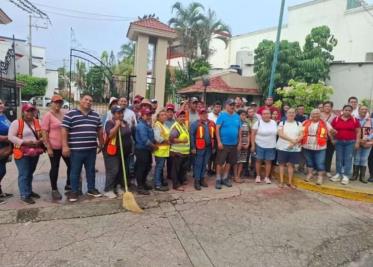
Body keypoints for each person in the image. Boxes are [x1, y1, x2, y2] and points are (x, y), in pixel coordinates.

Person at [62, 94, 104, 202]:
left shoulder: (95, 115)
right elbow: (64, 130)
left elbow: (99, 129)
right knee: (75, 171)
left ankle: (91, 189)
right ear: (80, 101)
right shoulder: (70, 114)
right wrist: (65, 146)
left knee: (90, 170)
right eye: (86, 99)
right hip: (76, 150)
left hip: (91, 149)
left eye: (90, 100)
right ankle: (74, 191)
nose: (88, 102)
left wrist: (101, 142)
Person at [8, 104, 44, 204]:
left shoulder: (38, 122)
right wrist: (24, 142)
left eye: (32, 111)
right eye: (27, 111)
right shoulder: (17, 123)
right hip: (21, 153)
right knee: (24, 174)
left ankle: (29, 191)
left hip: (35, 152)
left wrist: (40, 140)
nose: (30, 113)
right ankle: (24, 194)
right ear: (23, 112)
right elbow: (10, 137)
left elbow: (43, 134)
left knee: (30, 173)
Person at [41, 95, 71, 200]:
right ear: (51, 103)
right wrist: (48, 147)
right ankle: (54, 189)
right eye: (56, 102)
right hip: (54, 147)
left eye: (60, 102)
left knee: (71, 165)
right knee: (55, 167)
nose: (58, 104)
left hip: (65, 146)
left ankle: (69, 184)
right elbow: (44, 132)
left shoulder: (64, 113)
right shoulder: (48, 115)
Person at [103, 105, 133, 198]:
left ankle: (117, 187)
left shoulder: (125, 122)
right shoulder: (109, 123)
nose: (121, 115)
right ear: (113, 114)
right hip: (112, 151)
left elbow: (128, 135)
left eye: (122, 113)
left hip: (124, 151)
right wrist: (117, 125)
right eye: (118, 113)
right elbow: (111, 134)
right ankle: (108, 189)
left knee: (121, 170)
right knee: (113, 170)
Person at [330, 105, 361, 185]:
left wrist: (357, 142)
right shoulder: (336, 119)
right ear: (342, 110)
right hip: (339, 142)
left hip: (350, 142)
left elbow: (358, 132)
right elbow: (331, 130)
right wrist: (332, 139)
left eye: (349, 110)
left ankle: (346, 176)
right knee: (339, 158)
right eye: (346, 110)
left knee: (348, 159)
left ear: (351, 111)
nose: (347, 111)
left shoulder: (354, 120)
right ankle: (338, 174)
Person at [215, 99, 241, 189]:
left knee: (229, 162)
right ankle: (218, 179)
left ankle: (225, 178)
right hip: (223, 144)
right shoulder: (222, 116)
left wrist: (239, 142)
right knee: (220, 162)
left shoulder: (237, 116)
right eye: (230, 105)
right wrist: (219, 142)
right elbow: (217, 129)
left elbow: (239, 130)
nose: (232, 106)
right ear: (226, 106)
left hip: (234, 144)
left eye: (233, 105)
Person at [276, 108, 303, 188]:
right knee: (282, 165)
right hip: (282, 147)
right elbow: (280, 134)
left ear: (295, 114)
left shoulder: (299, 124)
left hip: (294, 148)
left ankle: (290, 182)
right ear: (286, 114)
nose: (291, 114)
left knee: (291, 165)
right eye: (289, 112)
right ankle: (281, 182)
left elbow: (302, 134)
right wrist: (292, 140)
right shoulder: (282, 123)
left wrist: (295, 142)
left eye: (293, 112)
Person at [301, 109, 329, 185]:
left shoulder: (325, 123)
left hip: (320, 146)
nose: (315, 115)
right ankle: (310, 174)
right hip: (306, 145)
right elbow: (299, 131)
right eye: (313, 114)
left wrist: (333, 133)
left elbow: (331, 131)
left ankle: (320, 177)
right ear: (311, 115)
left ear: (320, 115)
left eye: (317, 114)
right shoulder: (305, 122)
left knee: (320, 162)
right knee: (309, 161)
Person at [190, 108, 215, 190]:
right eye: (202, 113)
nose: (204, 115)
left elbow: (214, 136)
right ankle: (196, 181)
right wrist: (193, 147)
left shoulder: (212, 123)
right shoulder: (195, 124)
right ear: (199, 115)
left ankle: (202, 179)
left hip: (208, 147)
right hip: (199, 147)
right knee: (198, 164)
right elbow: (191, 136)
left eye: (205, 113)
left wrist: (214, 147)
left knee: (204, 164)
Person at [251, 109, 278, 184]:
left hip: (271, 146)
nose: (266, 115)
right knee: (258, 161)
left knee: (268, 162)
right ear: (262, 115)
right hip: (259, 145)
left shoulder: (274, 122)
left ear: (270, 115)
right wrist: (253, 145)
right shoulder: (258, 122)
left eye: (268, 113)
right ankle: (258, 176)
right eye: (264, 114)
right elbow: (253, 134)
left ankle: (267, 177)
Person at [135, 107, 157, 195]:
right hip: (141, 149)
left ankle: (143, 183)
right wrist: (154, 146)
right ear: (142, 115)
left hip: (147, 150)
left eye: (150, 115)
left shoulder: (147, 124)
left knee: (148, 166)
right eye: (147, 115)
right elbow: (145, 140)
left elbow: (151, 136)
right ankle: (140, 187)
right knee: (141, 168)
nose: (149, 116)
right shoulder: (141, 126)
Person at [169, 110, 190, 191]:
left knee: (182, 169)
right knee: (175, 170)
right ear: (177, 118)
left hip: (183, 153)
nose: (182, 118)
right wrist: (182, 141)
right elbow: (171, 139)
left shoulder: (183, 125)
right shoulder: (176, 127)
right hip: (177, 153)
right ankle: (176, 185)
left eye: (183, 116)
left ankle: (180, 181)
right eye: (180, 117)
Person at [352, 106, 373, 183]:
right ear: (358, 111)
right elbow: (352, 131)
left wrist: (367, 138)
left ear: (367, 111)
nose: (364, 110)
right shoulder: (354, 120)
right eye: (362, 109)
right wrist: (359, 140)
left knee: (364, 159)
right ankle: (355, 175)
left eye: (365, 109)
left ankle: (362, 176)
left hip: (367, 142)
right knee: (356, 158)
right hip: (357, 142)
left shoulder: (371, 120)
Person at [153, 109, 170, 191]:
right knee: (159, 167)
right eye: (162, 115)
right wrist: (166, 140)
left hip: (164, 150)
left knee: (161, 167)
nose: (164, 116)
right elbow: (157, 138)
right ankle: (157, 184)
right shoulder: (157, 125)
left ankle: (160, 181)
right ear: (158, 117)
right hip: (160, 150)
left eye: (165, 115)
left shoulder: (164, 124)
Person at [0, 99, 12, 204]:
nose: (1, 105)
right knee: (1, 170)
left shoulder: (3, 116)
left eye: (1, 103)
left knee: (2, 170)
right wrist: (6, 138)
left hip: (5, 148)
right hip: (1, 146)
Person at [320, 101, 336, 178]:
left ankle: (327, 170)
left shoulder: (334, 117)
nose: (327, 107)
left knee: (329, 155)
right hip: (320, 138)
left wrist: (333, 138)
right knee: (319, 155)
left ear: (331, 107)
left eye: (329, 106)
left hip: (330, 139)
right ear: (323, 107)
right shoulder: (319, 115)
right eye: (326, 106)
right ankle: (318, 169)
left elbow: (335, 128)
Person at [234, 109, 250, 183]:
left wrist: (248, 143)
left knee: (241, 161)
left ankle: (238, 175)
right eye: (242, 115)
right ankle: (235, 176)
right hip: (237, 144)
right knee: (236, 161)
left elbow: (249, 134)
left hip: (245, 144)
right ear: (238, 115)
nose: (244, 116)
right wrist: (239, 143)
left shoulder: (246, 123)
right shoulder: (236, 123)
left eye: (245, 115)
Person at [165, 103, 176, 180]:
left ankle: (170, 175)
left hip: (172, 145)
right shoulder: (162, 121)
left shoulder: (175, 122)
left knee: (171, 161)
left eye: (171, 111)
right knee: (161, 163)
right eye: (168, 111)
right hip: (163, 145)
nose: (170, 113)